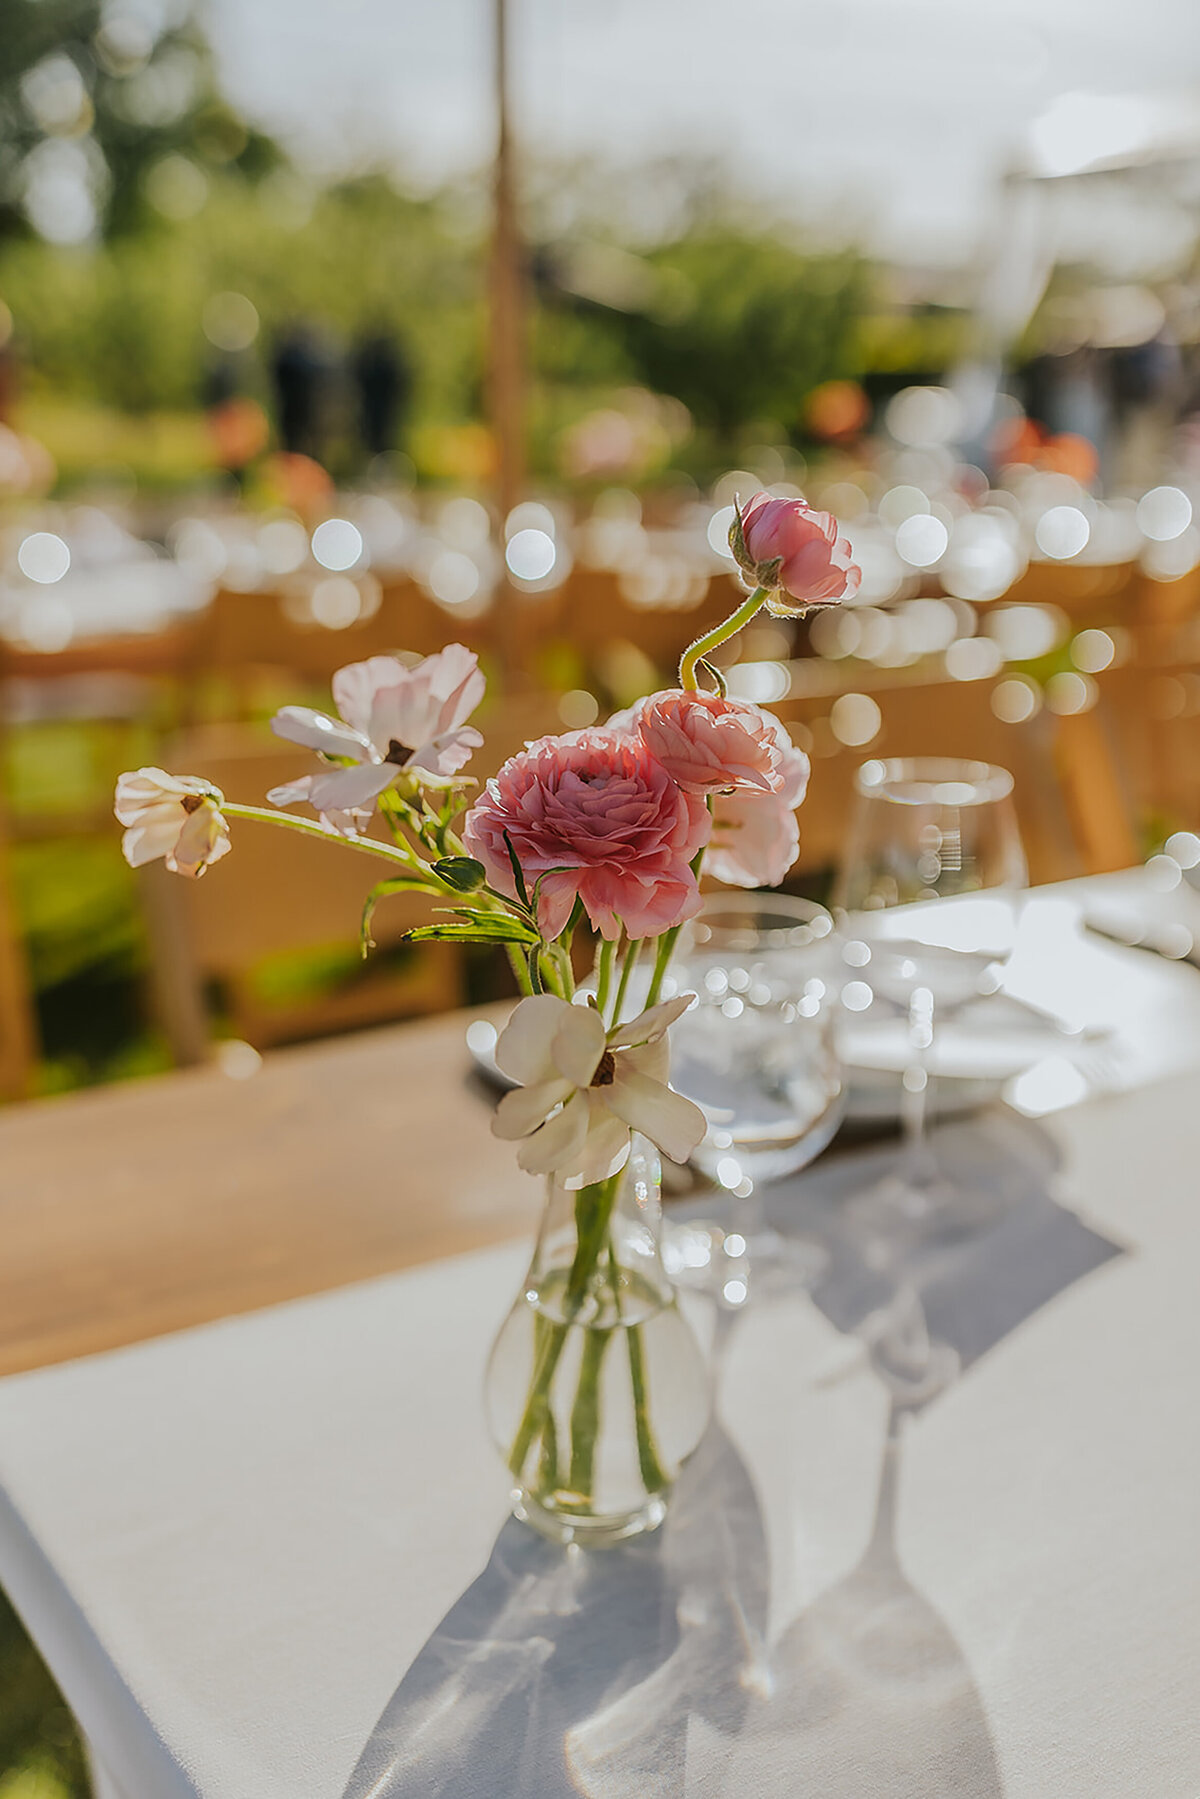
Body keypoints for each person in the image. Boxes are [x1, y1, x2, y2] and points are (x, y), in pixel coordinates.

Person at [350, 328, 412, 461]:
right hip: (380, 408)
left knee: (380, 436)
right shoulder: (386, 363)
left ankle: (379, 461)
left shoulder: (372, 362)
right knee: (377, 436)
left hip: (380, 408)